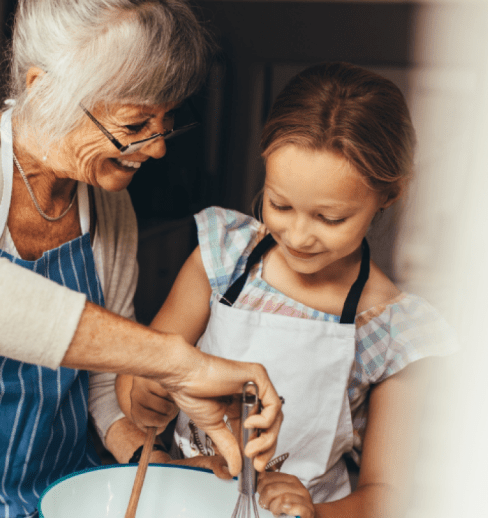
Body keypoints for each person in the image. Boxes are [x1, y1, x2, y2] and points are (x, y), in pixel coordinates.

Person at [0, 1, 282, 517]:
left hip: (48, 502)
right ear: (43, 88)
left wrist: (158, 465)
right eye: (136, 121)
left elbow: (100, 386)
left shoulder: (110, 207)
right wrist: (177, 360)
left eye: (166, 120)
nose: (157, 148)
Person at [117, 62, 458, 518]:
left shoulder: (392, 328)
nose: (298, 236)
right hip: (186, 505)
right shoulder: (224, 255)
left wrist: (314, 512)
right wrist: (142, 394)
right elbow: (138, 374)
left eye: (329, 218)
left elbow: (386, 498)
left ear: (388, 195)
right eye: (279, 204)